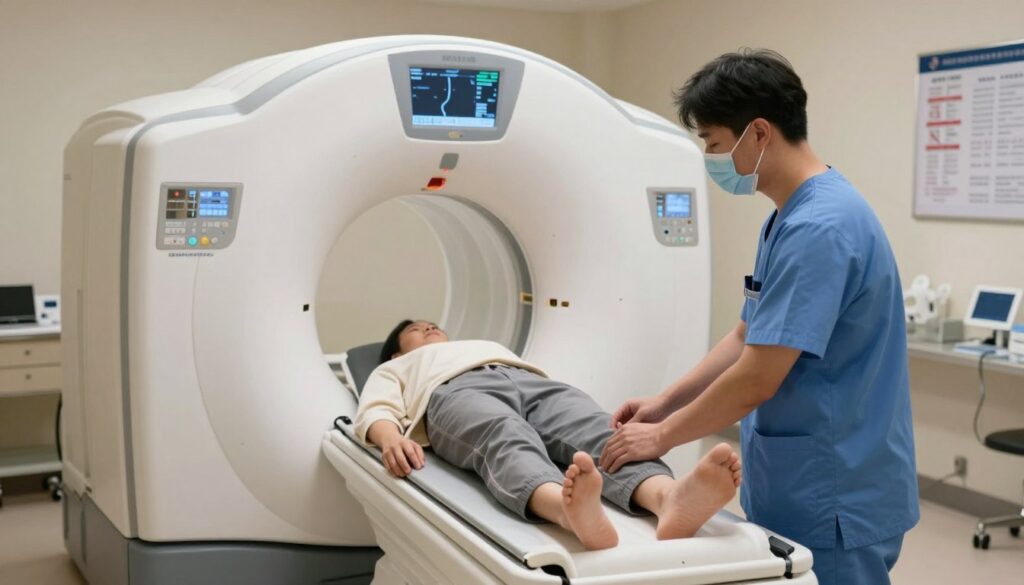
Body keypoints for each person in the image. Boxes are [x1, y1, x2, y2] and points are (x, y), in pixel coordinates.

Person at [600, 49, 919, 584]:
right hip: (810, 477)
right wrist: (663, 403)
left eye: (714, 143)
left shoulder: (819, 228)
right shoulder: (789, 217)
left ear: (759, 133)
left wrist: (662, 438)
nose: (711, 158)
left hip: (837, 490)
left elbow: (756, 377)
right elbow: (749, 333)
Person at [354, 319, 742, 551]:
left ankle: (667, 499)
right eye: (415, 330)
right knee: (504, 434)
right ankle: (566, 510)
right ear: (396, 354)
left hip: (530, 381)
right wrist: (390, 438)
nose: (427, 327)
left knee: (594, 426)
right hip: (454, 392)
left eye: (431, 323)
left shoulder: (483, 345)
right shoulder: (400, 368)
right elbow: (376, 409)